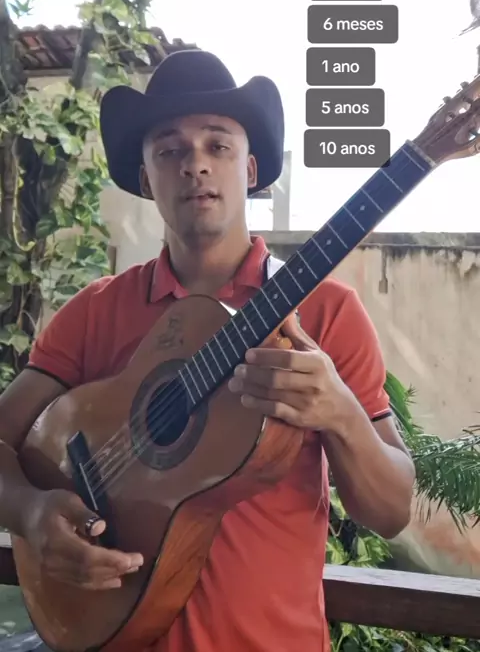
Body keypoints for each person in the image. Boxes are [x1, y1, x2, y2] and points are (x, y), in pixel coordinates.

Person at [0, 49, 415, 652]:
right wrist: (31, 514)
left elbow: (393, 512)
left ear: (251, 170)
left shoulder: (326, 313)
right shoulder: (94, 312)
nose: (195, 164)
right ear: (146, 179)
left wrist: (342, 414)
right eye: (169, 150)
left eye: (218, 145)